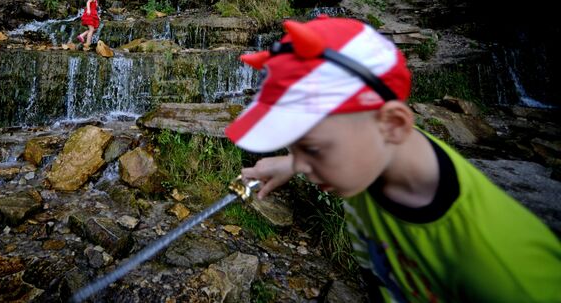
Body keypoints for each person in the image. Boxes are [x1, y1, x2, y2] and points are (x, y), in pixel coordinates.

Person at [225, 15, 561, 302]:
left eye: (311, 149)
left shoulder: (504, 267)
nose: (301, 163)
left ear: (394, 124)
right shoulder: (368, 155)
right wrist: (289, 165)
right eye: (292, 146)